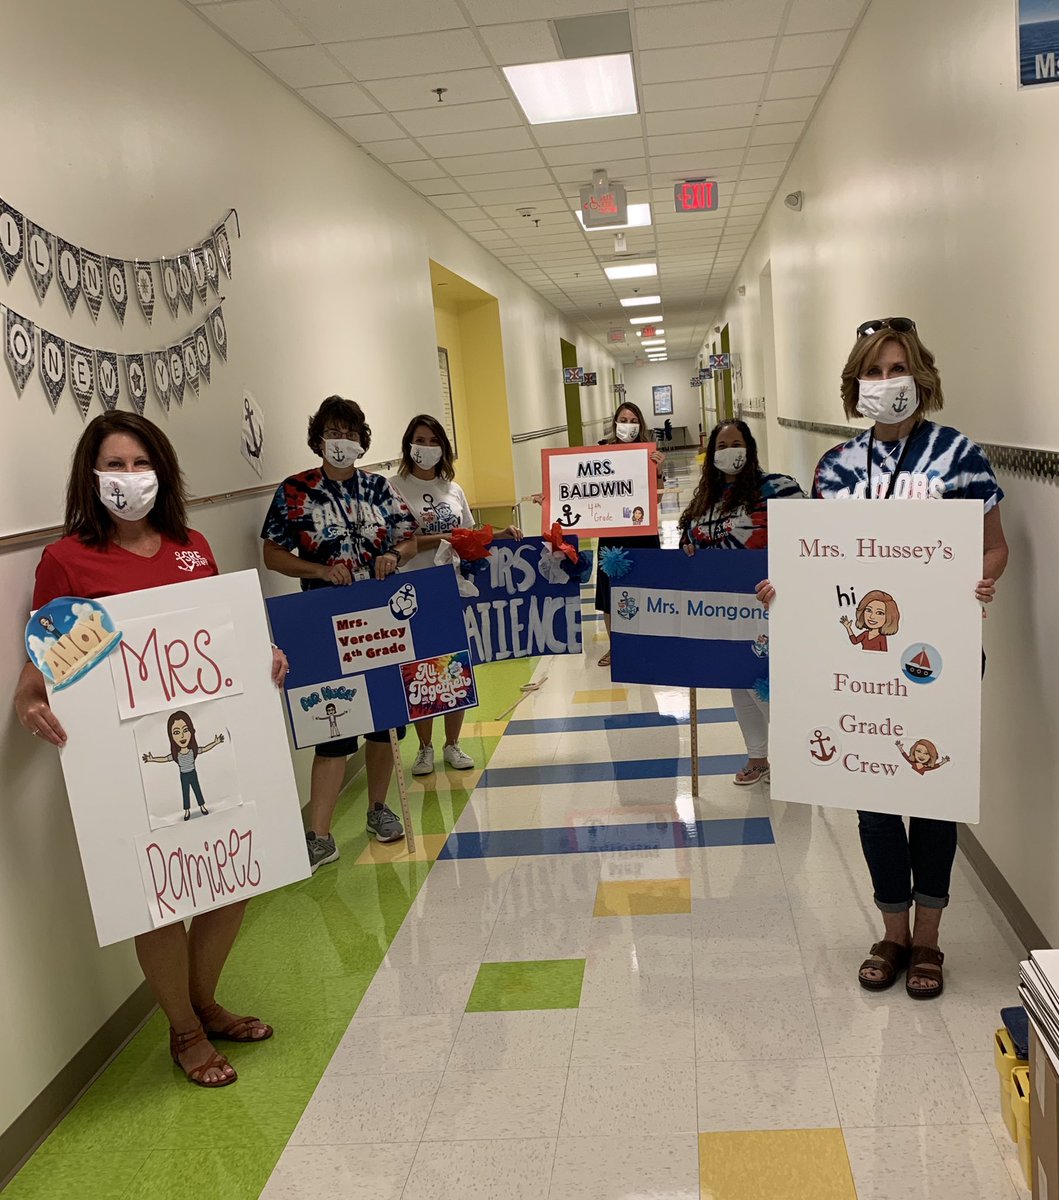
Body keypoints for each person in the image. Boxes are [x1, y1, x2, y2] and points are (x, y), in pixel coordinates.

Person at [14, 411, 287, 1088]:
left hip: (208, 748)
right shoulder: (67, 560)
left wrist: (264, 654)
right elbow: (47, 661)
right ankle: (185, 1030)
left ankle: (205, 1003)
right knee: (157, 898)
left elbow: (220, 636)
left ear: (161, 473)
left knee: (230, 879)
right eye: (114, 465)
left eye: (141, 464)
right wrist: (28, 696)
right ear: (91, 476)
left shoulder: (192, 546)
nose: (129, 477)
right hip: (124, 760)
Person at [756, 317, 1008, 999]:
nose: (886, 382)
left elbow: (994, 545)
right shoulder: (835, 468)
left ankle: (928, 940)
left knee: (932, 796)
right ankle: (891, 932)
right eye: (873, 371)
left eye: (897, 369)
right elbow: (819, 565)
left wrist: (982, 580)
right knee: (871, 801)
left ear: (921, 376)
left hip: (936, 660)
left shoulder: (958, 455)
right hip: (858, 668)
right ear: (854, 384)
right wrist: (785, 591)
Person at [261, 396, 418, 872]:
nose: (341, 441)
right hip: (323, 622)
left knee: (385, 721)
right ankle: (320, 834)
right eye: (333, 432)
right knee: (331, 726)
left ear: (362, 440)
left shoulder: (380, 489)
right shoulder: (295, 492)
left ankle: (378, 809)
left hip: (380, 620)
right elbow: (273, 555)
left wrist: (395, 556)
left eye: (350, 433)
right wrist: (320, 570)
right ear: (318, 439)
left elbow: (409, 537)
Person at [388, 414, 521, 778]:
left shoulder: (453, 489)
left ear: (443, 448)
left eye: (434, 441)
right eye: (420, 440)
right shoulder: (393, 488)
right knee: (421, 669)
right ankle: (425, 748)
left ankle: (452, 744)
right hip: (412, 590)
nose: (426, 447)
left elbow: (467, 536)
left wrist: (499, 535)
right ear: (408, 444)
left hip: (452, 587)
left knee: (454, 666)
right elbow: (401, 542)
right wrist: (442, 538)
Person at [678, 419, 804, 785]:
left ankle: (797, 757)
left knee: (768, 687)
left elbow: (810, 539)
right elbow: (690, 543)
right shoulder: (705, 501)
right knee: (740, 685)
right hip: (726, 612)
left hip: (772, 607)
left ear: (749, 448)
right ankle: (757, 758)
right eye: (721, 446)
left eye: (736, 443)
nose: (729, 451)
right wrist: (688, 550)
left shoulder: (778, 490)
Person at [596, 401, 665, 667]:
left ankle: (646, 643)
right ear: (615, 423)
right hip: (612, 533)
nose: (628, 425)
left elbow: (656, 500)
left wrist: (658, 471)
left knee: (646, 588)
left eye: (633, 421)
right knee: (609, 594)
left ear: (641, 424)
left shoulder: (649, 454)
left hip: (642, 532)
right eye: (623, 420)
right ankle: (617, 648)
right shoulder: (602, 452)